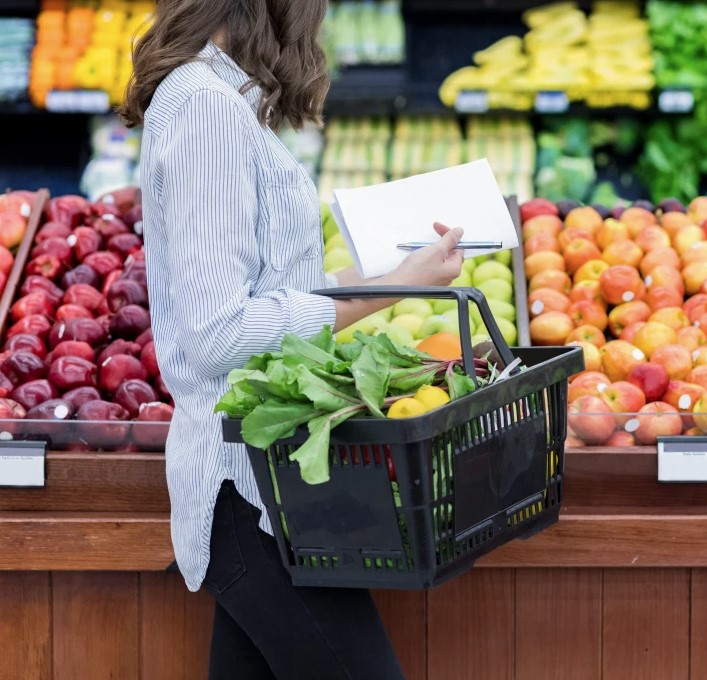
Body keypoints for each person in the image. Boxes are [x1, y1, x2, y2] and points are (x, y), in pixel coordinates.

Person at [120, 2, 464, 677]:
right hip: (246, 491)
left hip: (276, 487)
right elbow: (219, 331)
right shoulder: (204, 109)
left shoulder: (219, 99)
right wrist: (387, 292)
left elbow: (274, 288)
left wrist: (397, 273)